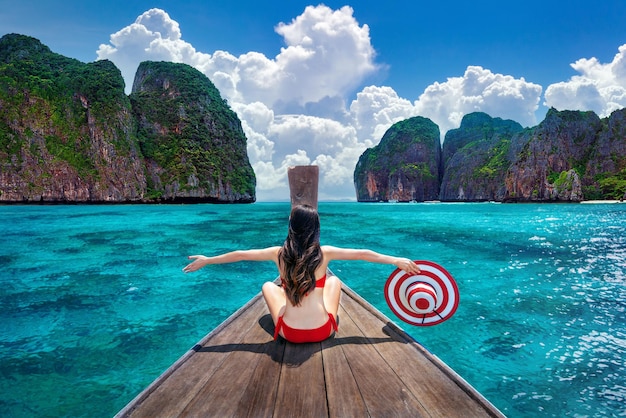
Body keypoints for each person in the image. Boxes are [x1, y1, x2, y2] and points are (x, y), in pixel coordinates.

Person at [183, 204, 420, 344]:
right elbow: (363, 254)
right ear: (315, 228)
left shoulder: (278, 254)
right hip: (323, 331)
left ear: (291, 225)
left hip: (289, 333)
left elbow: (241, 254)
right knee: (334, 280)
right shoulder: (324, 253)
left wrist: (209, 260)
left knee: (268, 285)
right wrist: (395, 260)